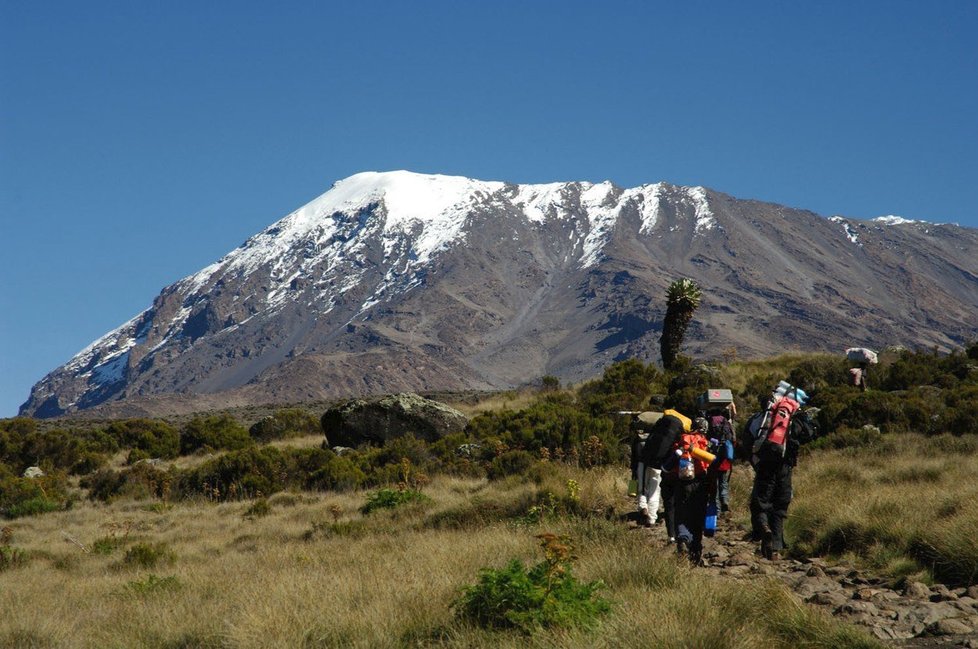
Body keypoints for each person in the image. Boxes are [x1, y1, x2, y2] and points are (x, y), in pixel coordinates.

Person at [750, 402, 818, 560]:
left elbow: (749, 440)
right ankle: (776, 548)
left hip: (765, 465)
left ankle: (764, 528)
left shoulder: (762, 418)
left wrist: (755, 462)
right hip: (785, 467)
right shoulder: (795, 418)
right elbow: (809, 434)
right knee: (780, 506)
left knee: (760, 503)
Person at [638, 408, 690, 541]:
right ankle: (654, 518)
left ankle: (671, 535)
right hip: (672, 473)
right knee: (656, 491)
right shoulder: (682, 440)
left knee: (665, 502)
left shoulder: (655, 434)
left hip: (657, 466)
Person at [671, 416, 712, 563]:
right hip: (700, 483)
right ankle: (695, 550)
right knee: (698, 516)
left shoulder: (682, 440)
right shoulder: (705, 442)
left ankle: (683, 538)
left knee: (682, 513)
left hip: (682, 482)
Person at [630, 411, 663, 526]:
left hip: (641, 465)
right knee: (655, 490)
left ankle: (643, 507)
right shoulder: (660, 438)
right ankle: (652, 519)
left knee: (642, 489)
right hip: (657, 466)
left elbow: (634, 456)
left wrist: (633, 470)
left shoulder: (638, 439)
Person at [705, 407, 736, 513]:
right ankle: (725, 501)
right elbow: (733, 438)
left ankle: (716, 509)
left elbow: (706, 438)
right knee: (723, 481)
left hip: (712, 457)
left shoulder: (709, 422)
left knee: (714, 483)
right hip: (724, 457)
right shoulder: (726, 422)